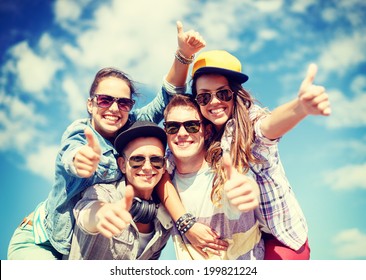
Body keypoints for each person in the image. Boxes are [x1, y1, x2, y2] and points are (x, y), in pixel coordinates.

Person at [7, 21, 205, 260]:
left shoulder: (129, 122)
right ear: (90, 104)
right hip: (43, 239)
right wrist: (80, 162)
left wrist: (184, 55)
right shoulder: (80, 132)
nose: (114, 108)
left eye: (123, 102)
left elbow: (165, 98)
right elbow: (72, 154)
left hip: (80, 247)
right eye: (104, 100)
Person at [158, 50, 331, 260]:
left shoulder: (249, 121)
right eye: (204, 96)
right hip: (249, 234)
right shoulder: (196, 135)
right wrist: (185, 222)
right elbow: (163, 173)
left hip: (280, 236)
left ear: (235, 93)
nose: (213, 102)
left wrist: (300, 107)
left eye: (222, 94)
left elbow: (268, 128)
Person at [162, 94, 264, 259]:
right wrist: (185, 224)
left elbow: (244, 183)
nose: (181, 133)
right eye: (172, 127)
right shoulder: (161, 178)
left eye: (192, 126)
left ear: (207, 131)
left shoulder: (226, 168)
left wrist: (247, 190)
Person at [67, 121, 172, 260]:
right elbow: (86, 213)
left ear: (164, 166)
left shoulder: (165, 223)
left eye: (156, 160)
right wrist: (101, 215)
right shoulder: (102, 192)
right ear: (122, 165)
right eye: (137, 160)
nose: (147, 167)